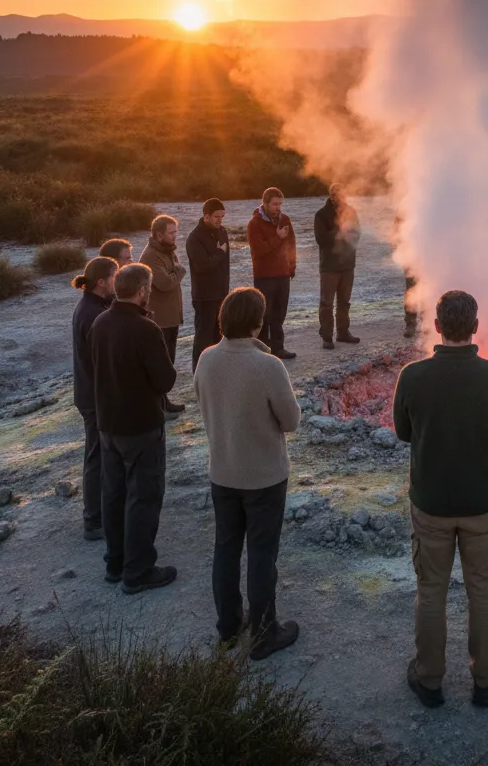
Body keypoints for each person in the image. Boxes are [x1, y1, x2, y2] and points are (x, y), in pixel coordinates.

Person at [393, 290, 488, 709]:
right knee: (482, 587)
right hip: (482, 501)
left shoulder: (412, 377)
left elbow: (402, 432)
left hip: (431, 501)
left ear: (437, 326)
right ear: (476, 327)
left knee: (431, 589)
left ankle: (429, 680)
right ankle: (486, 677)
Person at [194, 287, 302, 661]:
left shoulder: (207, 359)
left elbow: (201, 398)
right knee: (260, 553)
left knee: (225, 547)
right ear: (258, 323)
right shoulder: (269, 366)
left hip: (222, 472)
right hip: (263, 477)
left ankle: (228, 626)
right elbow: (291, 421)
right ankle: (263, 635)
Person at [89, 262, 177, 594]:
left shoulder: (100, 322)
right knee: (144, 497)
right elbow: (165, 380)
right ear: (142, 291)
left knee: (113, 495)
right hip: (140, 426)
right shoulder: (145, 329)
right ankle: (138, 572)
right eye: (149, 289)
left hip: (108, 425)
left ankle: (115, 563)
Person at [70, 256, 118, 542]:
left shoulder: (95, 306)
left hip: (93, 393)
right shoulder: (91, 313)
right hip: (95, 397)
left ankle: (100, 513)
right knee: (97, 456)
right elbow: (101, 360)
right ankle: (94, 519)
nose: (118, 280)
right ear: (101, 282)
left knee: (100, 454)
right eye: (115, 276)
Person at [139, 214, 186, 414]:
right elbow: (165, 283)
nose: (175, 236)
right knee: (161, 363)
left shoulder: (168, 251)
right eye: (171, 232)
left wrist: (175, 272)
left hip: (171, 316)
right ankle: (158, 404)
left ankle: (163, 401)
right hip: (160, 319)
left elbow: (173, 275)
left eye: (176, 232)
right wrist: (179, 272)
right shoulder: (151, 255)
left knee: (168, 362)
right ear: (159, 235)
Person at [246, 188, 297, 360]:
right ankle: (262, 351)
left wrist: (292, 265)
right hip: (265, 276)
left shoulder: (285, 219)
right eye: (275, 204)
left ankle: (278, 348)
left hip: (283, 274)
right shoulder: (254, 224)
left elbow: (291, 243)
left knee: (279, 314)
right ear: (265, 203)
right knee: (264, 315)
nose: (278, 207)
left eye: (280, 204)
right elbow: (259, 251)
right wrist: (277, 237)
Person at [314, 184, 361, 349]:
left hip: (348, 264)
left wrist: (350, 234)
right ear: (331, 196)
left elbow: (358, 234)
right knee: (327, 303)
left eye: (343, 195)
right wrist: (339, 233)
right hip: (329, 266)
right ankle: (327, 337)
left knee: (344, 301)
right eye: (337, 196)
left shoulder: (351, 212)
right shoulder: (321, 215)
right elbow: (320, 239)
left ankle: (343, 333)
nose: (341, 199)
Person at [186, 198, 230, 371]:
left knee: (219, 336)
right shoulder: (194, 238)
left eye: (222, 216)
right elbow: (201, 265)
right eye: (217, 217)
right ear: (206, 217)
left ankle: (217, 371)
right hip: (204, 296)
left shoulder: (222, 232)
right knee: (203, 338)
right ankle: (199, 372)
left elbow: (225, 262)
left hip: (221, 293)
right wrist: (219, 253)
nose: (220, 220)